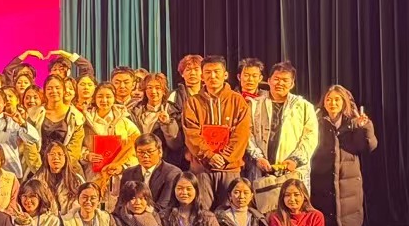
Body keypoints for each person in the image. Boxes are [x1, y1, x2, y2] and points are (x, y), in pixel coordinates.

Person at [311, 85, 378, 226]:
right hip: (321, 177)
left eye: (337, 99)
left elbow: (368, 146)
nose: (332, 103)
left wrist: (365, 127)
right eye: (329, 99)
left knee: (351, 217)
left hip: (349, 178)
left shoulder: (353, 122)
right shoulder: (316, 121)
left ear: (344, 102)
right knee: (323, 218)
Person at [247, 62, 319, 215]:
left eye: (285, 80)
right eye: (276, 79)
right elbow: (247, 133)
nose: (280, 83)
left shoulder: (303, 106)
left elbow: (310, 137)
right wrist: (257, 157)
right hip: (262, 170)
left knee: (294, 213)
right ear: (269, 80)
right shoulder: (254, 105)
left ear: (292, 84)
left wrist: (295, 160)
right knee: (264, 215)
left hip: (293, 170)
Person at [181, 56, 250, 211]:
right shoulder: (193, 102)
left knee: (229, 212)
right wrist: (209, 155)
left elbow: (241, 134)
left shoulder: (238, 101)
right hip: (201, 167)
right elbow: (191, 134)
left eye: (216, 72)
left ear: (225, 75)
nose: (212, 76)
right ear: (202, 76)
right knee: (201, 212)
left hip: (230, 168)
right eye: (208, 72)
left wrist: (225, 157)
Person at [83, 84, 140, 193]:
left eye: (108, 96)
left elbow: (135, 145)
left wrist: (123, 166)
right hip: (94, 173)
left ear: (114, 98)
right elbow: (78, 145)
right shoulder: (85, 121)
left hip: (118, 174)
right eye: (100, 96)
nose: (104, 100)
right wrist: (86, 155)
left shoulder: (124, 121)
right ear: (94, 98)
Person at [27, 77, 84, 175]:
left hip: (67, 170)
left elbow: (75, 149)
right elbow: (29, 145)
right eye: (49, 88)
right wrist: (41, 171)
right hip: (38, 169)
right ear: (45, 92)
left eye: (57, 88)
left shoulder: (76, 116)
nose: (54, 91)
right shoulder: (34, 114)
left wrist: (60, 168)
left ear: (64, 91)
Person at [128, 72, 184, 170]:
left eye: (158, 88)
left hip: (164, 163)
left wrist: (167, 123)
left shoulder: (174, 111)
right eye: (149, 87)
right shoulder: (134, 111)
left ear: (164, 90)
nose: (153, 91)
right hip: (137, 161)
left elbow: (175, 145)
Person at [126, 134, 182, 211]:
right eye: (140, 152)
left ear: (160, 152)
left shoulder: (172, 173)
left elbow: (163, 207)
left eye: (149, 151)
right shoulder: (128, 173)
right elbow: (121, 204)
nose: (145, 156)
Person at [29, 141, 84, 216]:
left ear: (65, 157)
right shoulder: (37, 180)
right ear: (46, 157)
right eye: (52, 154)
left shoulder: (77, 180)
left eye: (60, 154)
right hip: (46, 220)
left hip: (71, 220)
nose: (56, 157)